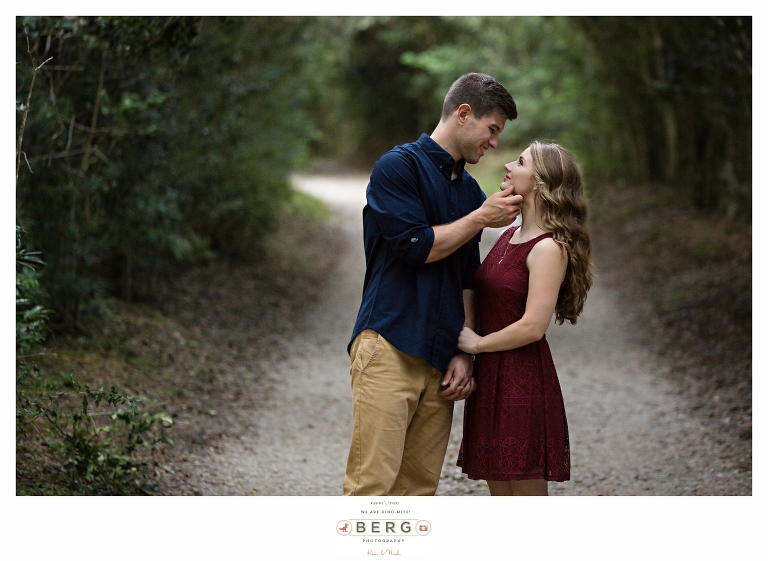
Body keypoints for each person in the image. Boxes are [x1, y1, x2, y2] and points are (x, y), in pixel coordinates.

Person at [344, 73, 522, 496]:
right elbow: (416, 247)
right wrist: (480, 218)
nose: (494, 142)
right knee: (372, 487)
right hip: (389, 344)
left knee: (419, 491)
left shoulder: (470, 190)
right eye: (491, 129)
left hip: (440, 360)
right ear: (463, 114)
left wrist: (464, 351)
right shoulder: (397, 167)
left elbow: (468, 279)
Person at [456, 140, 594, 496]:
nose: (507, 166)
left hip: (522, 379)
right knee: (501, 493)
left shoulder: (548, 247)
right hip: (491, 376)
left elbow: (533, 326)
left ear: (540, 181)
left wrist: (477, 344)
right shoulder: (508, 235)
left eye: (519, 162)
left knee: (526, 497)